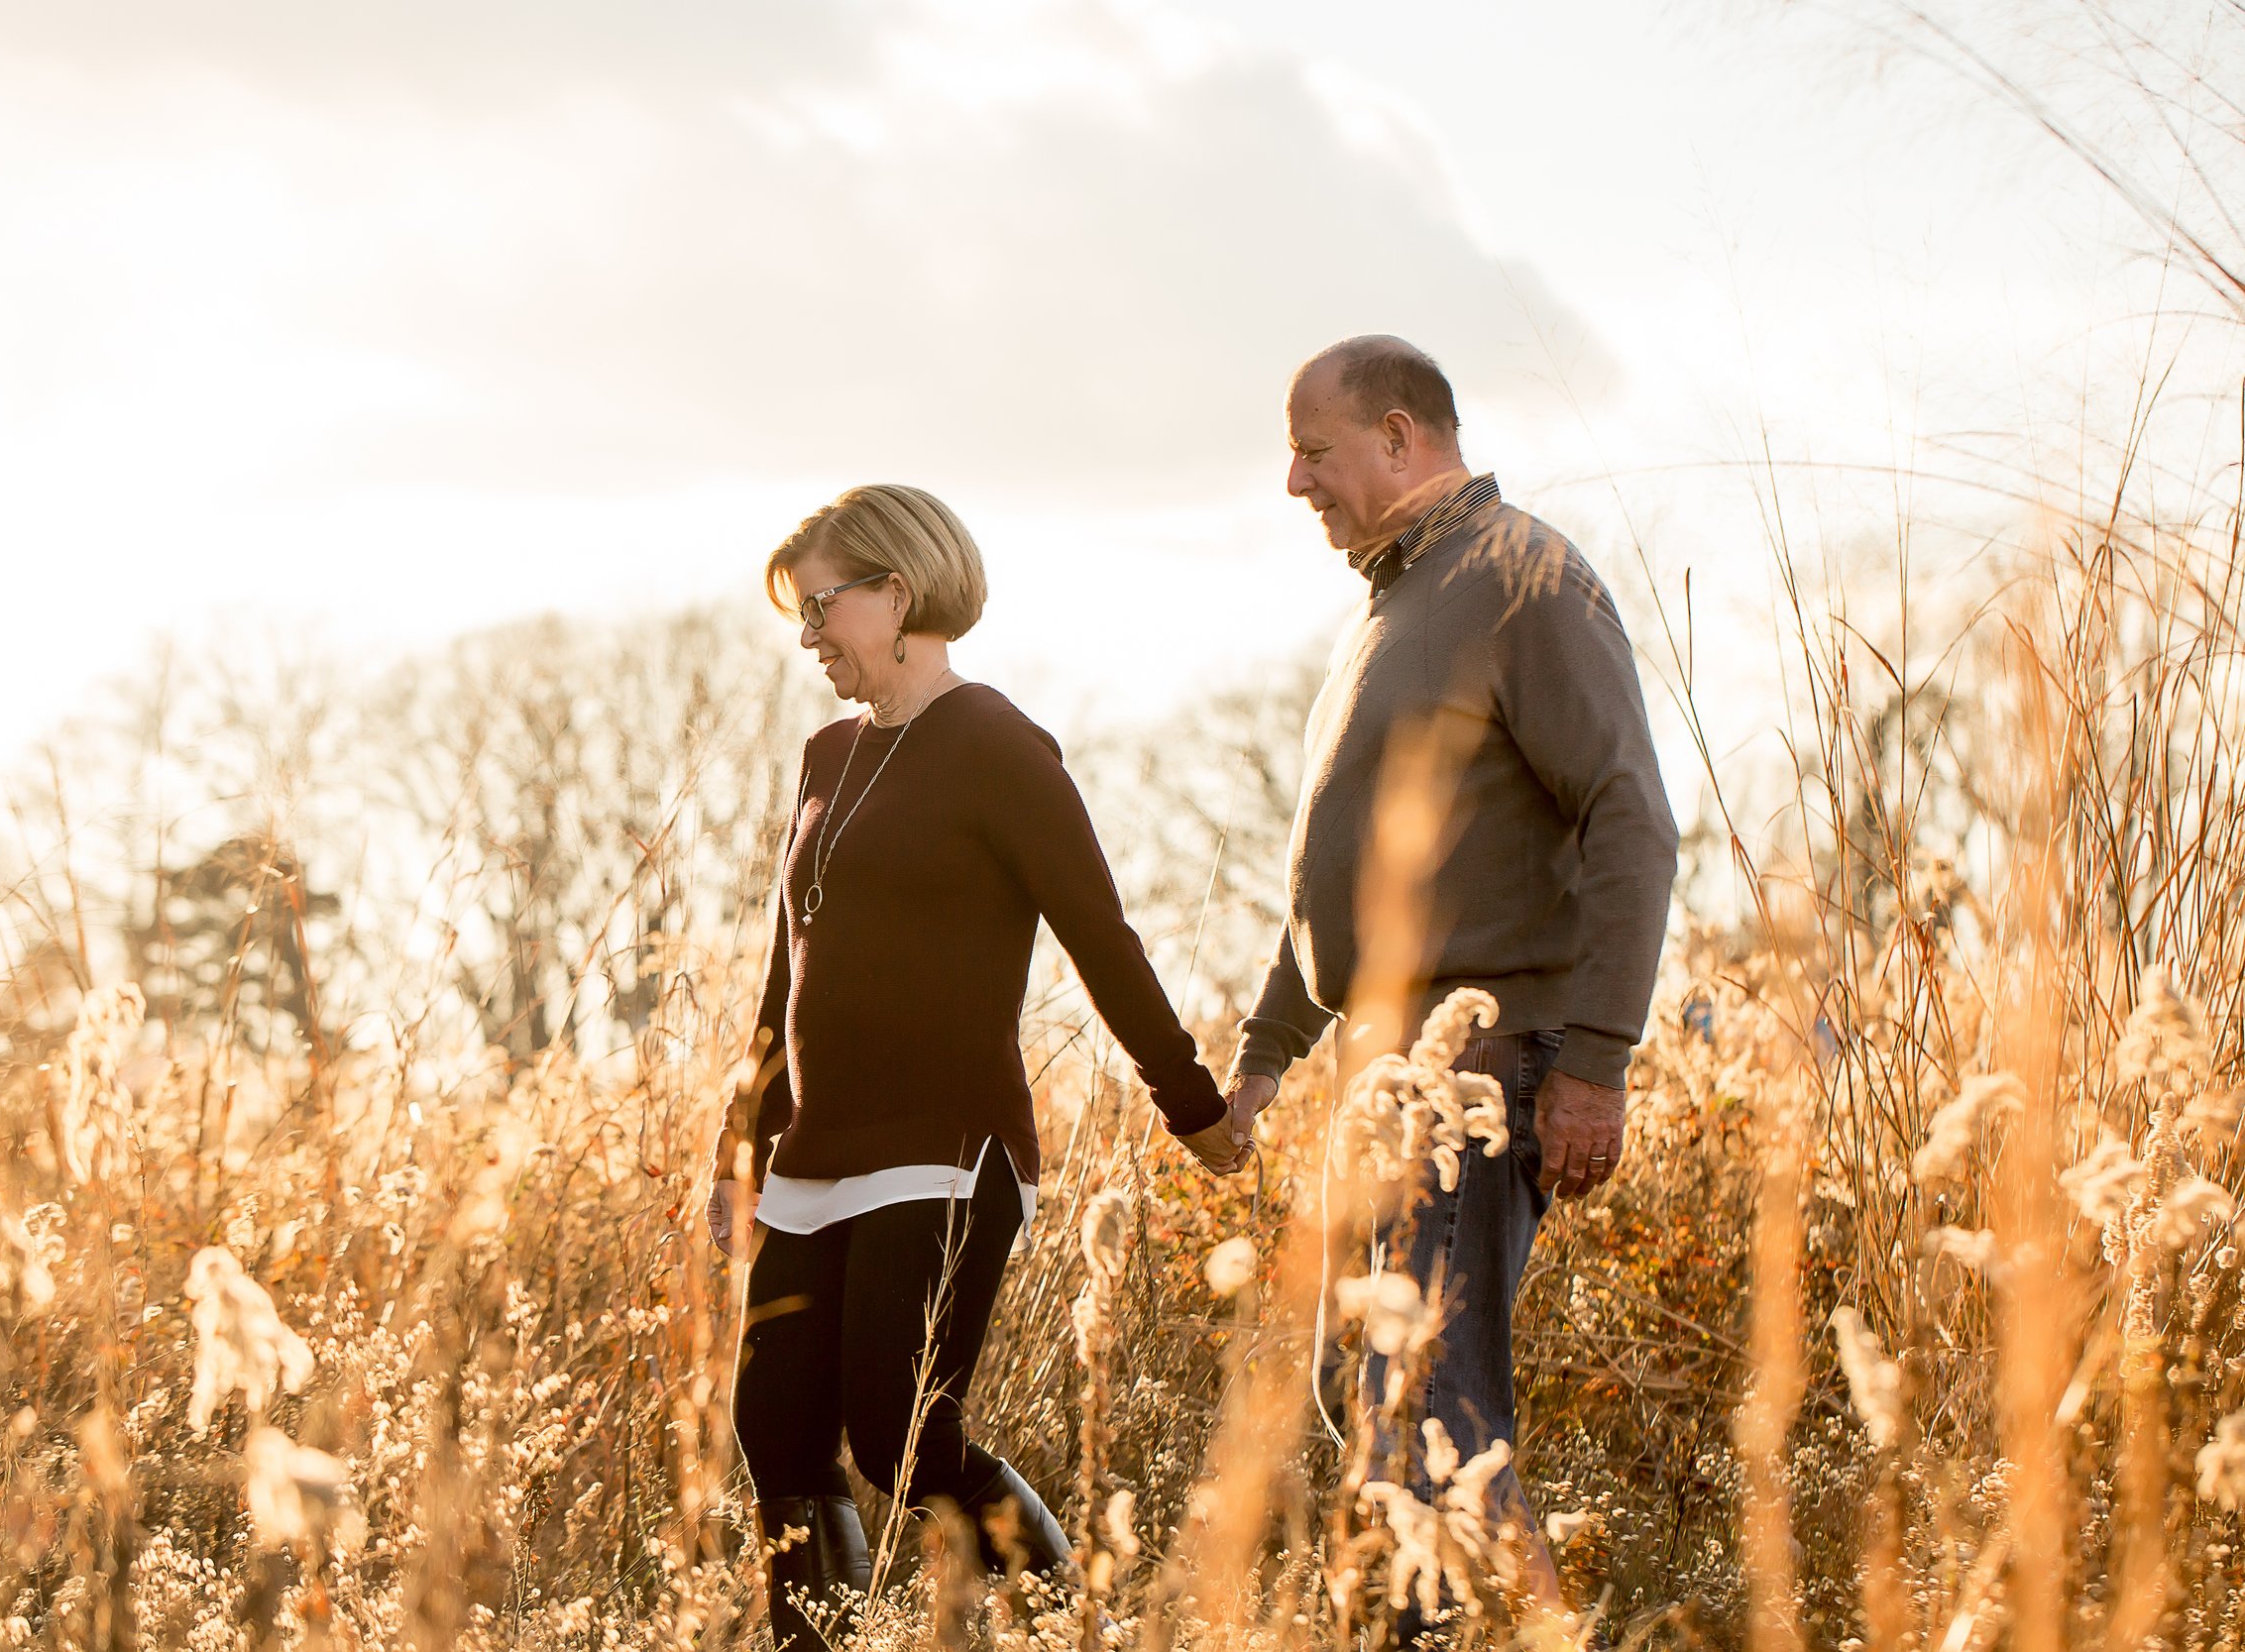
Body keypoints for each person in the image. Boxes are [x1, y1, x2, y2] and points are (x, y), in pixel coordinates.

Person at [708, 484, 1244, 1652]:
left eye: (821, 608)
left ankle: (1069, 1621)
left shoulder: (998, 743)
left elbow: (1101, 937)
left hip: (946, 1154)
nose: (808, 638)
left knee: (902, 1426)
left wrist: (1189, 1098)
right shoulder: (825, 752)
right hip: (815, 1156)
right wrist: (739, 1150)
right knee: (776, 1430)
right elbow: (782, 972)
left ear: (897, 592)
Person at [1222, 338, 1678, 1631]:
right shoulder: (1392, 605)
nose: (1294, 479)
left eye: (1315, 448)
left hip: (1484, 1070)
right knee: (1368, 1392)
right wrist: (1267, 1048)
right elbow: (1352, 871)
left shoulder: (1523, 578)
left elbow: (1632, 818)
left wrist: (1594, 1057)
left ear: (1403, 437)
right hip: (1380, 1071)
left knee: (1433, 1402)